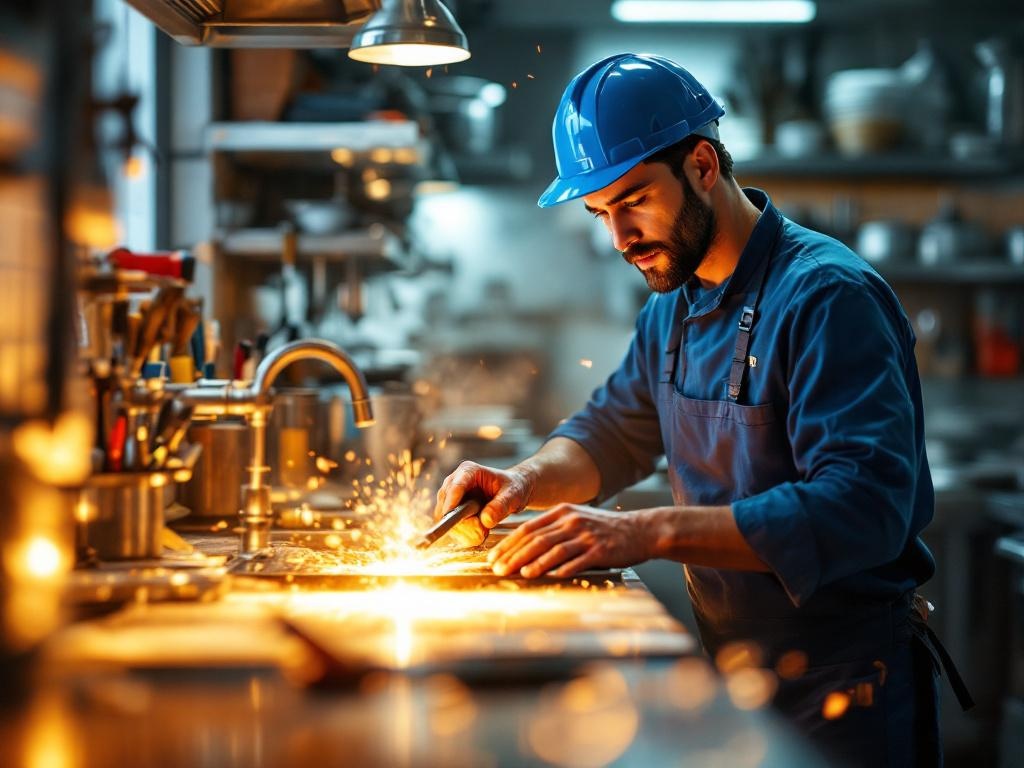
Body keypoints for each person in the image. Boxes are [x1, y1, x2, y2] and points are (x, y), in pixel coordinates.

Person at [433, 53, 971, 766]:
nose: (619, 239)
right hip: (736, 675)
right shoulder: (676, 305)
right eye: (601, 214)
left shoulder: (827, 298)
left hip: (846, 694)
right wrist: (525, 482)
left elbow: (863, 506)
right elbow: (613, 433)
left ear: (702, 165)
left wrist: (646, 532)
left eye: (632, 202)